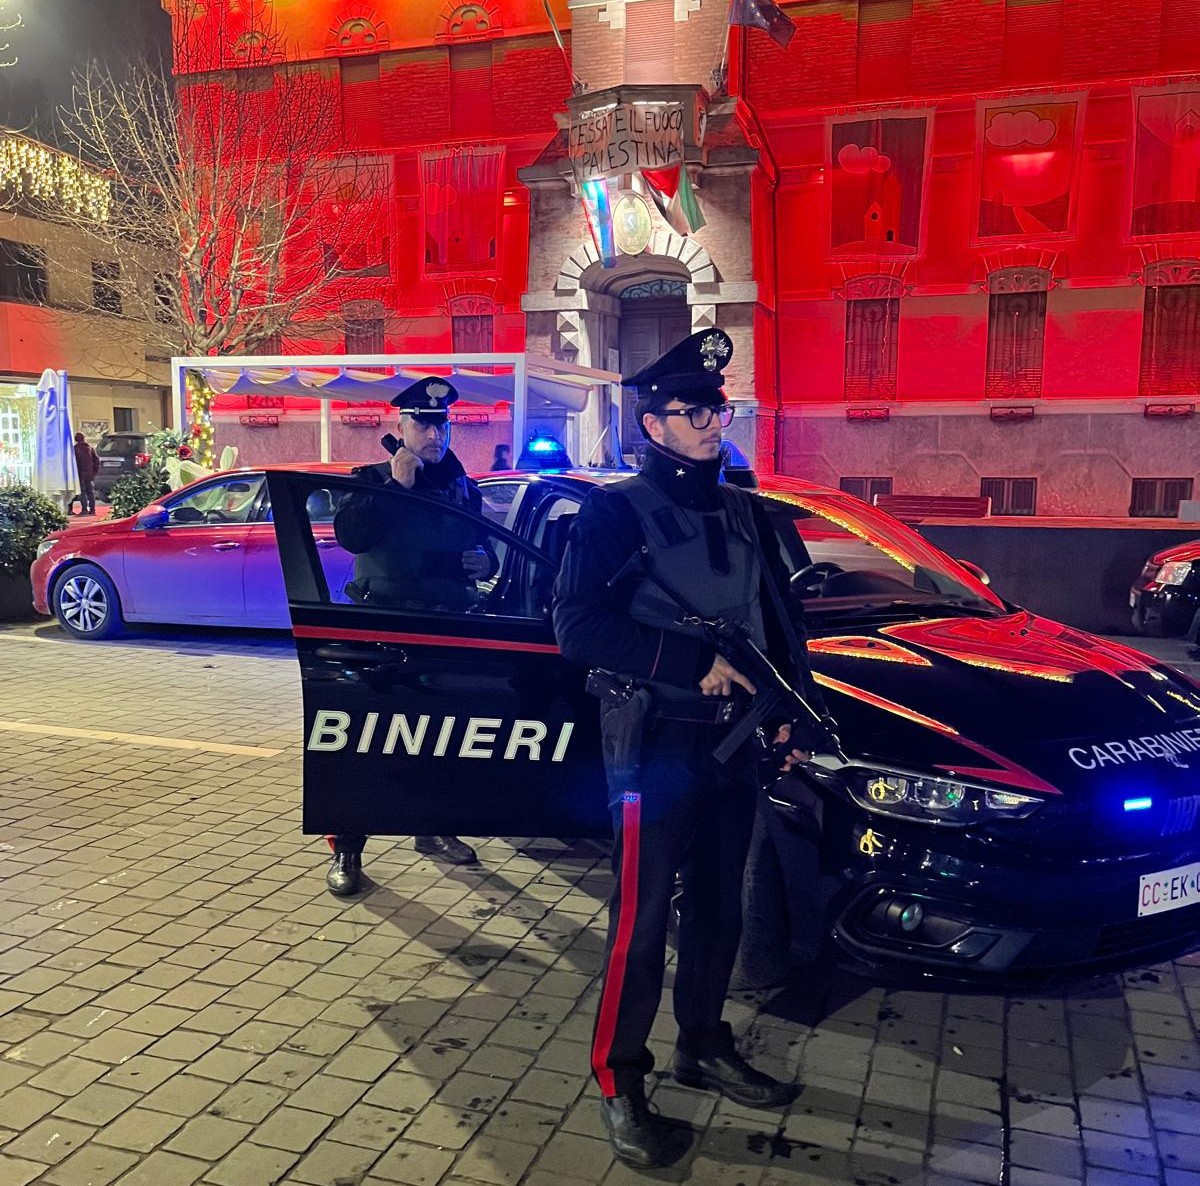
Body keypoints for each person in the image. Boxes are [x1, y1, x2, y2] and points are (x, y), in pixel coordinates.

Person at [552, 329, 835, 1169]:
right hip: (656, 743)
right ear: (653, 424)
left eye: (720, 407)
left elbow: (779, 622)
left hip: (734, 744)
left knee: (718, 908)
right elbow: (577, 627)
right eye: (696, 410)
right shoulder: (613, 513)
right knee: (642, 923)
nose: (716, 422)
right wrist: (687, 663)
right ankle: (620, 1080)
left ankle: (703, 1044)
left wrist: (792, 712)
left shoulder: (746, 508)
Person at [324, 376, 498, 895]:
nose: (434, 434)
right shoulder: (373, 480)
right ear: (400, 428)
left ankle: (433, 827)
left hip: (444, 630)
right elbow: (351, 535)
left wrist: (485, 561)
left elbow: (484, 545)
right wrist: (395, 488)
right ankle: (348, 847)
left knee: (442, 740)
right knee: (365, 742)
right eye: (423, 424)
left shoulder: (462, 486)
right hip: (385, 630)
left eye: (441, 425)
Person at [73, 433, 100, 515]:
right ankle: (92, 510)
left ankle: (84, 510)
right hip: (89, 474)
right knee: (90, 492)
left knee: (82, 492)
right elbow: (97, 461)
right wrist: (94, 472)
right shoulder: (90, 448)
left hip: (80, 473)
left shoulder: (75, 449)